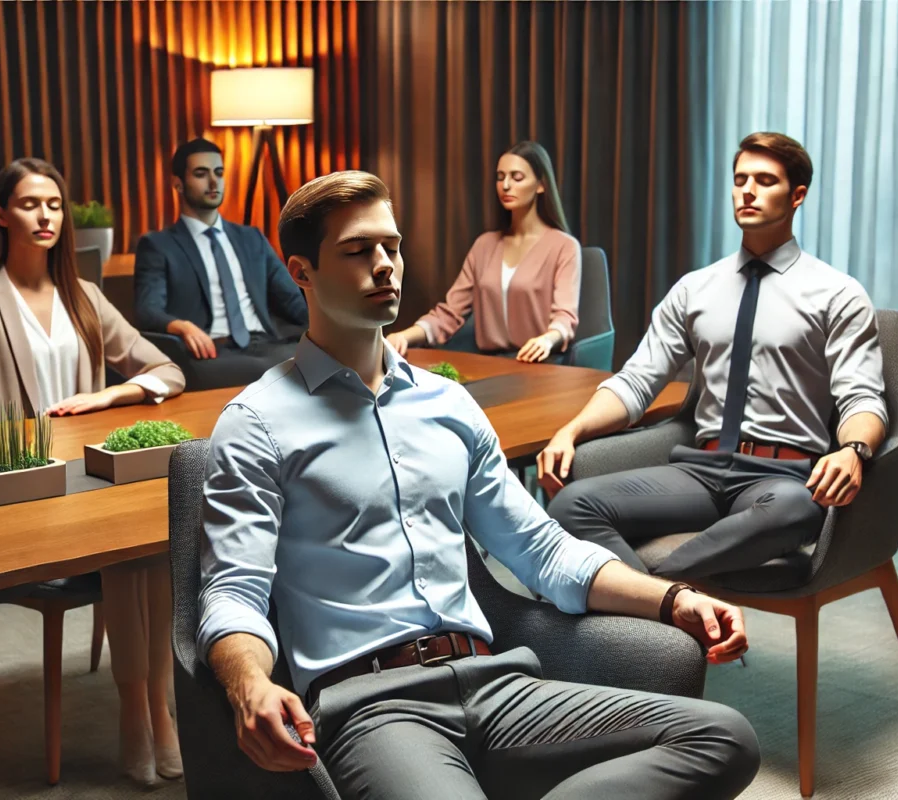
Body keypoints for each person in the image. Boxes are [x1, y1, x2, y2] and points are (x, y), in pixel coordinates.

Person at [197, 170, 760, 799]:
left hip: (495, 681)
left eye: (393, 247)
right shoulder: (256, 423)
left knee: (724, 737)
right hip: (373, 708)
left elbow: (545, 553)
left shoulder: (450, 405)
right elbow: (233, 591)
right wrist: (249, 683)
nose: (385, 266)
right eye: (359, 251)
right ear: (302, 272)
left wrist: (673, 598)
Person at [0, 158, 186, 784]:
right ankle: (140, 711)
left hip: (95, 483)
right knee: (134, 551)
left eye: (54, 203)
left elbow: (168, 370)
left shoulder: (87, 296)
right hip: (31, 494)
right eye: (28, 204)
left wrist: (108, 397)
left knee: (150, 540)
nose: (45, 215)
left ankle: (158, 709)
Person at [538, 132, 888, 580]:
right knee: (572, 504)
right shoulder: (695, 288)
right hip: (699, 473)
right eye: (740, 179)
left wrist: (855, 451)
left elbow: (863, 397)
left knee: (798, 510)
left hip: (781, 477)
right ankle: (666, 610)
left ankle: (656, 602)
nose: (747, 190)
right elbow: (637, 381)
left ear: (797, 195)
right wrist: (570, 430)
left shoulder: (837, 293)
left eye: (765, 180)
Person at [133, 138, 309, 390]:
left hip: (269, 343)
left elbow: (293, 301)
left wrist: (339, 325)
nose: (214, 182)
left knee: (316, 360)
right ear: (178, 184)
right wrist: (181, 326)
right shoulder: (158, 245)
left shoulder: (251, 238)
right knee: (278, 373)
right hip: (213, 351)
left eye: (219, 173)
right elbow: (147, 310)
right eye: (201, 174)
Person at [386, 141, 579, 363]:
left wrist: (547, 340)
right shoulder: (484, 246)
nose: (506, 186)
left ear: (541, 185)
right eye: (500, 177)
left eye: (517, 178)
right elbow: (450, 313)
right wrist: (404, 336)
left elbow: (565, 317)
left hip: (541, 363)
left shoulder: (564, 246)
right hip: (491, 362)